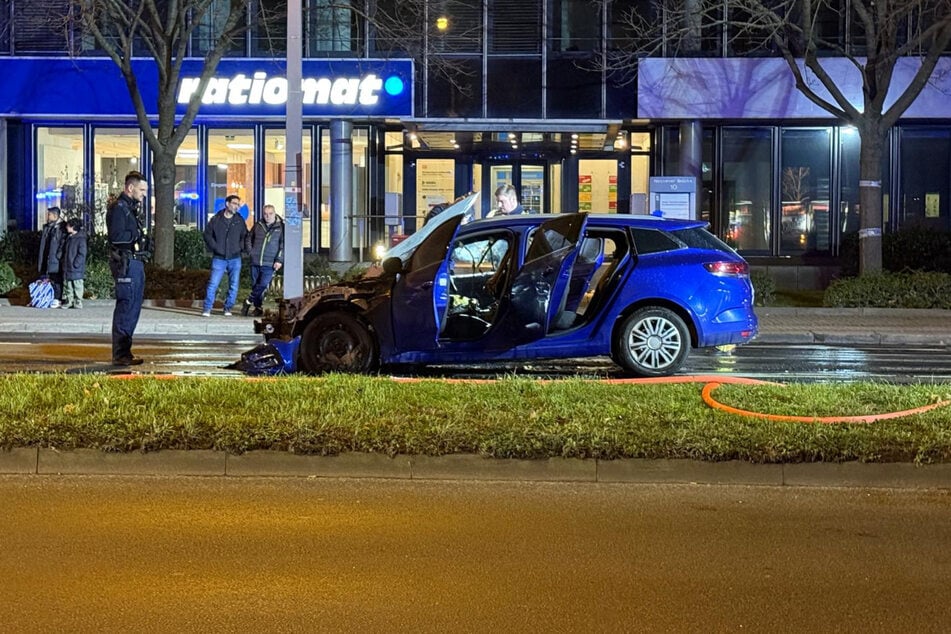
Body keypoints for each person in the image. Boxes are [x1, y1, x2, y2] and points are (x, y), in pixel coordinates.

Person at [106, 170, 150, 366]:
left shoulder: (129, 208)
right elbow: (117, 236)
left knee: (132, 308)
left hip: (134, 263)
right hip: (126, 263)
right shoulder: (119, 209)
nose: (144, 194)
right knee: (127, 307)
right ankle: (121, 353)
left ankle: (125, 351)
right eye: (141, 189)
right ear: (130, 188)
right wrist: (136, 238)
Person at [202, 194, 249, 316]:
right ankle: (207, 308)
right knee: (213, 284)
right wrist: (216, 247)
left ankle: (228, 308)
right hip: (219, 257)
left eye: (238, 204)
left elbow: (245, 235)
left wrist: (240, 248)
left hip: (235, 257)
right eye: (234, 204)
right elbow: (207, 234)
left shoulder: (239, 220)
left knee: (234, 285)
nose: (237, 207)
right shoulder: (216, 219)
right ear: (227, 204)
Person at [241, 204, 284, 317]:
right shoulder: (258, 225)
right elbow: (249, 238)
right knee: (256, 286)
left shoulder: (281, 228)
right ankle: (258, 308)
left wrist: (279, 260)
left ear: (274, 214)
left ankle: (248, 301)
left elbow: (283, 245)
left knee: (263, 284)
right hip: (256, 260)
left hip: (270, 262)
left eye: (270, 214)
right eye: (265, 214)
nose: (267, 216)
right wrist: (251, 251)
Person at [37, 207, 67, 308]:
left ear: (55, 215)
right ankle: (49, 297)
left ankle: (57, 298)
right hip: (47, 257)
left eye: (49, 214)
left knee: (57, 278)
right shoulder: (47, 227)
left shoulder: (62, 228)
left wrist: (58, 255)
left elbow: (63, 243)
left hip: (55, 259)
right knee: (48, 277)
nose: (47, 216)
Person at [61, 217, 87, 309]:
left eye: (68, 226)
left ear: (73, 227)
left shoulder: (80, 239)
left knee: (77, 285)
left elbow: (82, 253)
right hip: (69, 266)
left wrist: (76, 263)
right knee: (69, 285)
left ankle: (78, 301)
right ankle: (69, 301)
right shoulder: (69, 238)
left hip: (76, 267)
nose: (67, 227)